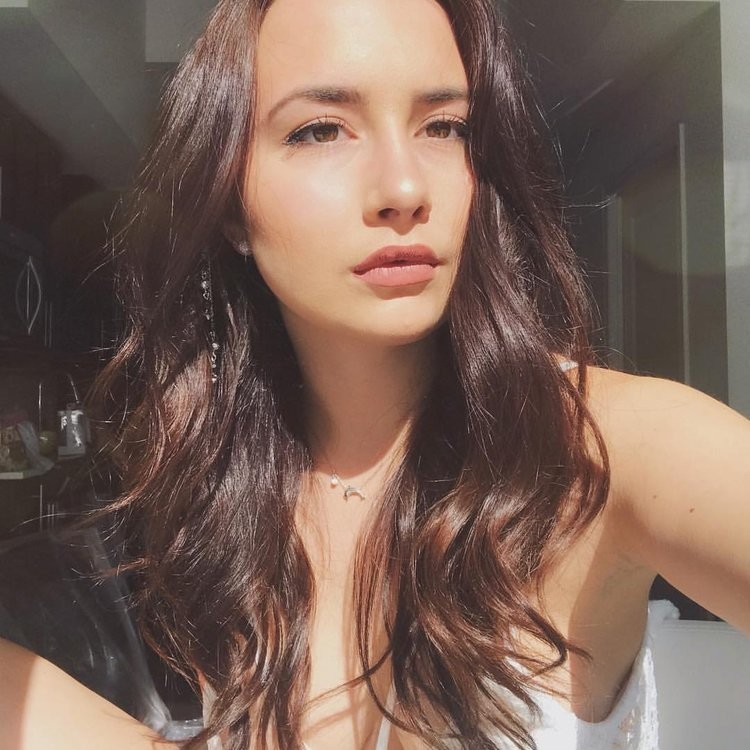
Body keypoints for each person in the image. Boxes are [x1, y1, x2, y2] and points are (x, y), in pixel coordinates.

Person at [1, 0, 749, 748]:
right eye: (321, 130)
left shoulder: (602, 446)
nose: (405, 188)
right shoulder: (222, 498)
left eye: (443, 127)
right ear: (229, 207)